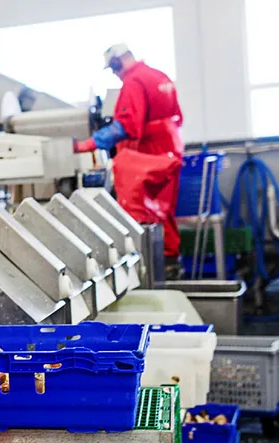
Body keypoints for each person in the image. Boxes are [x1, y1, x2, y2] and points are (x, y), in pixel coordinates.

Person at [75, 43, 184, 273]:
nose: (115, 74)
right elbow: (177, 116)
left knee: (143, 211)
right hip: (171, 150)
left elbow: (126, 124)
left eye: (113, 69)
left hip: (149, 153)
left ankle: (152, 265)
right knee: (164, 209)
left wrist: (89, 144)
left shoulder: (134, 81)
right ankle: (171, 260)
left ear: (117, 62)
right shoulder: (158, 76)